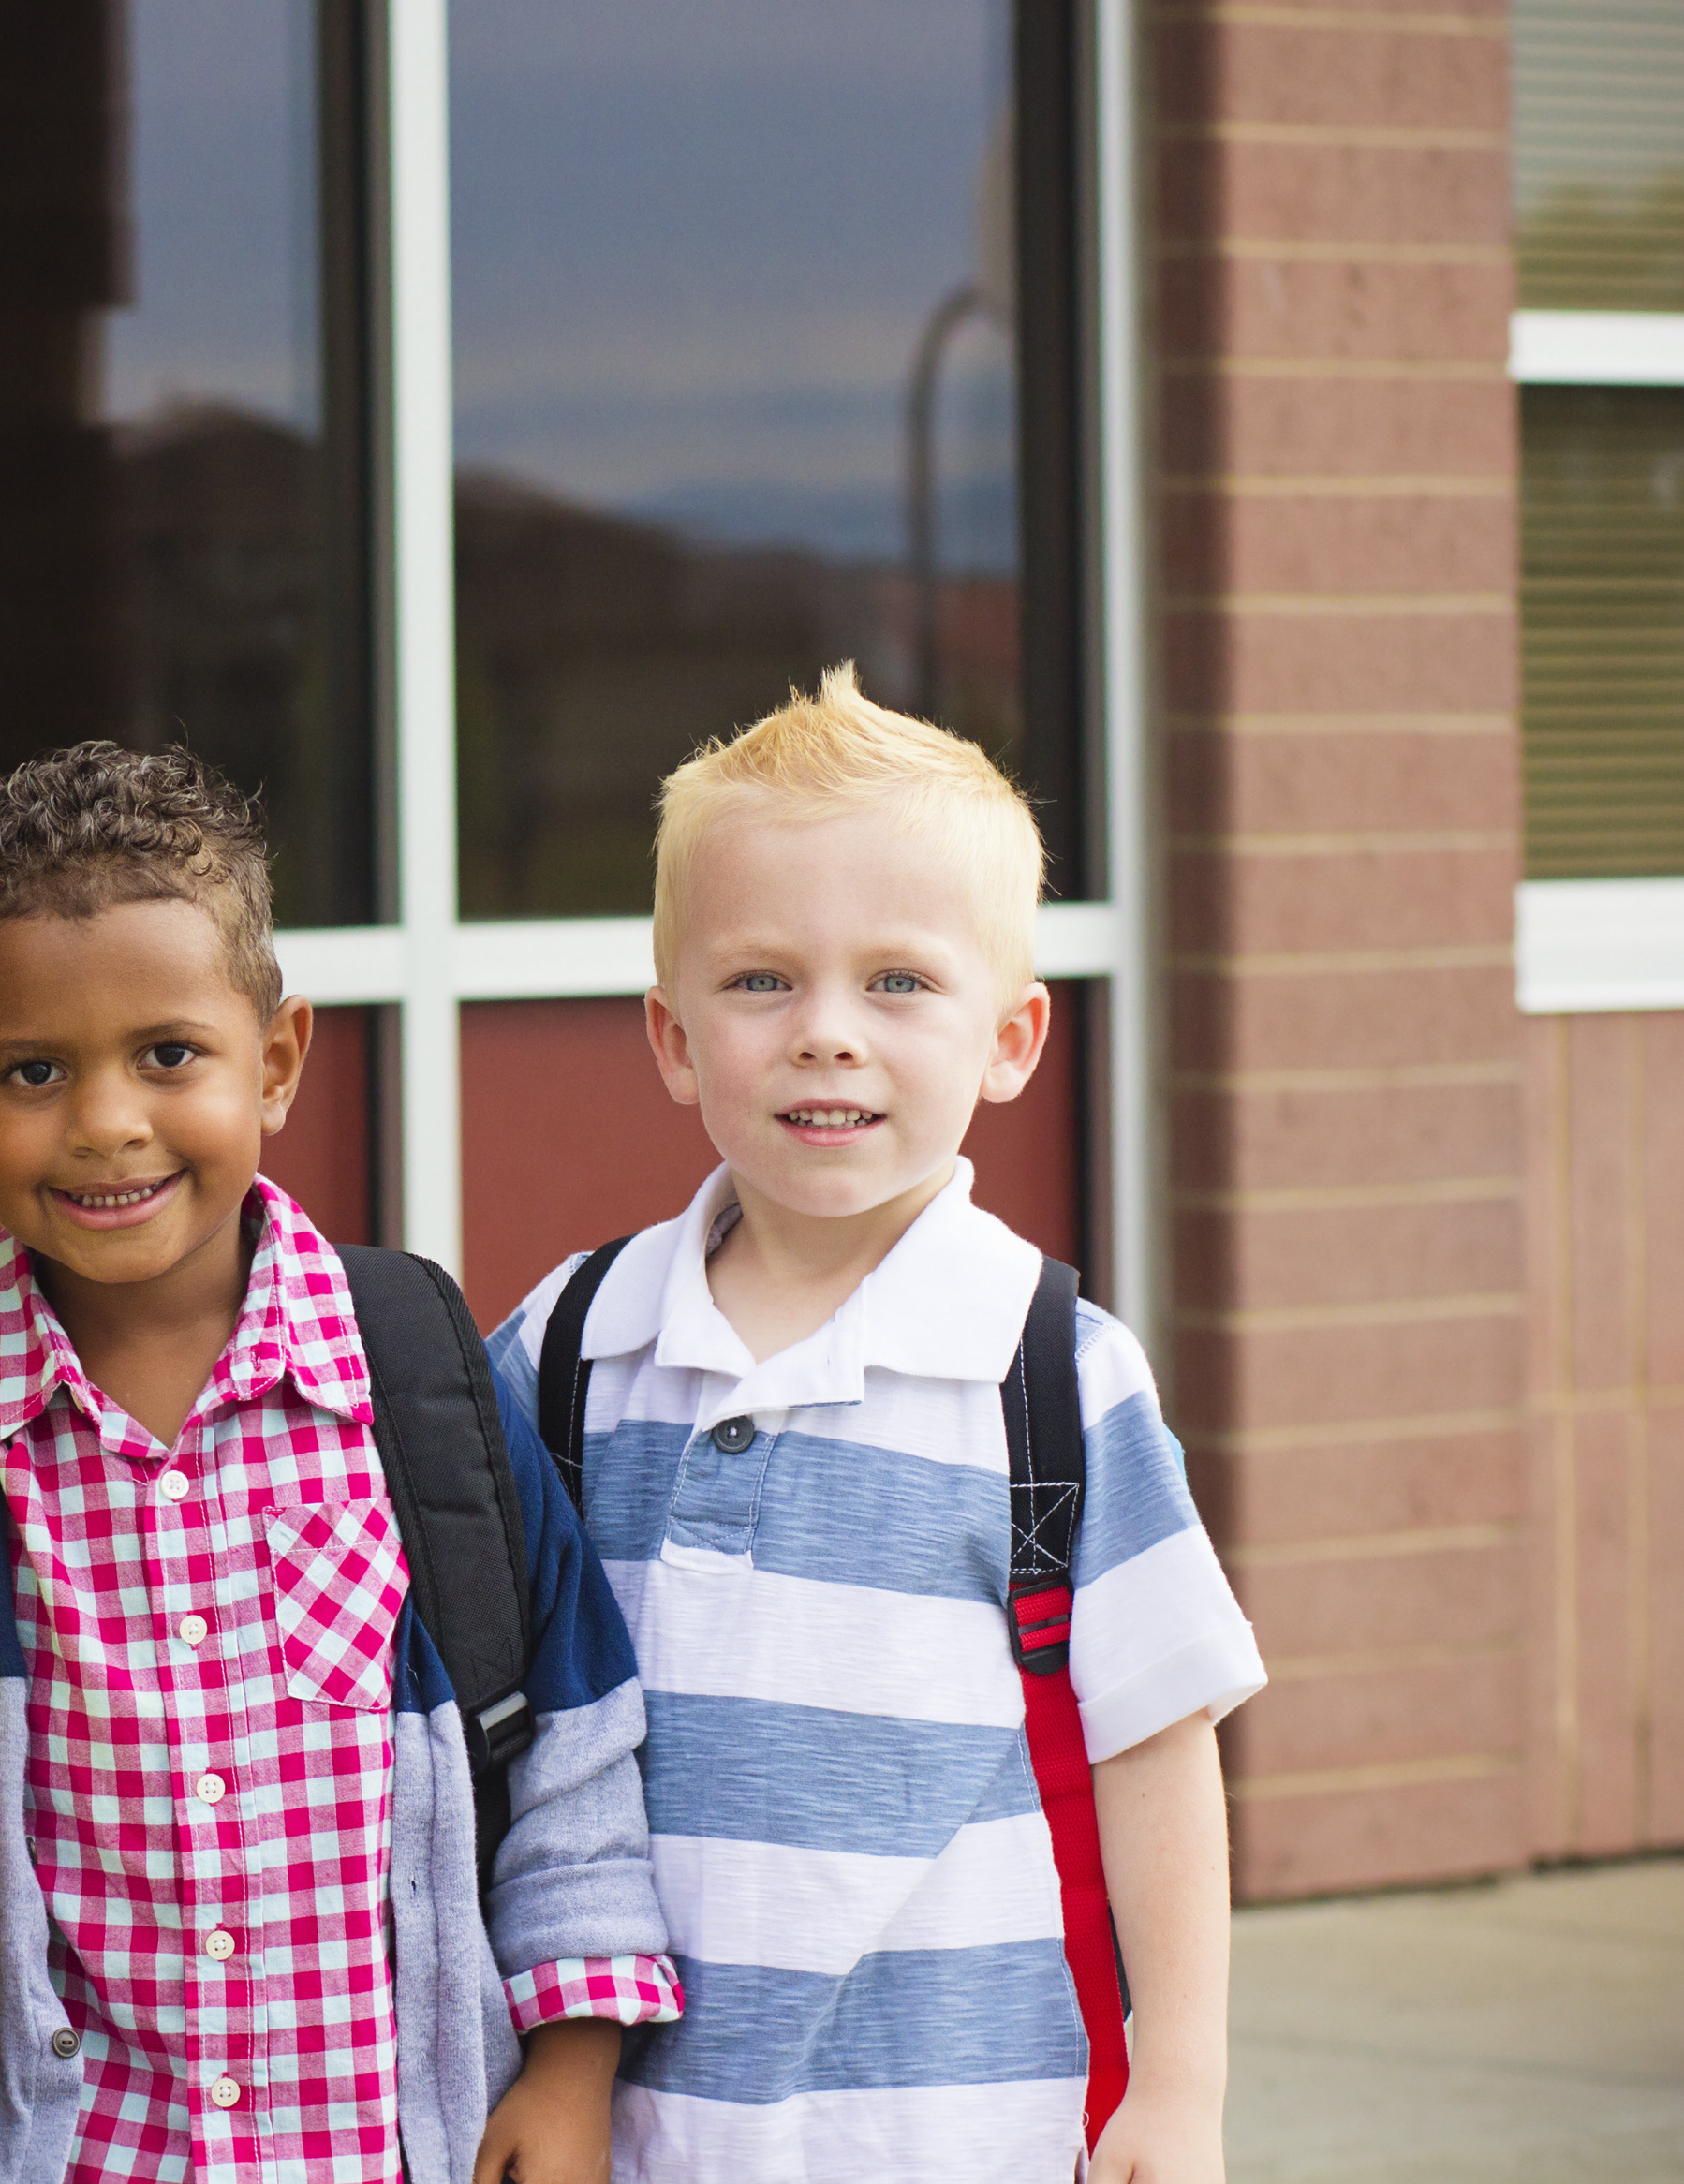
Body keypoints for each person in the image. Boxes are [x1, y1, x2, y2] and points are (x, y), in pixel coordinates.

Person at [485, 667, 1267, 2184]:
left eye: (899, 983)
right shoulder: (574, 1348)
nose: (826, 1034)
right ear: (669, 1035)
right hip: (644, 2130)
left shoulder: (1051, 1377)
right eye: (761, 980)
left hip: (964, 2125)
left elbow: (1157, 1753)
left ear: (1012, 1039)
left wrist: (1179, 2089)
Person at [0, 742, 682, 2184]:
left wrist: (571, 2068)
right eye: (31, 1071)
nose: (105, 1122)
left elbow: (573, 1751)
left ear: (276, 1059)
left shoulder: (413, 1378)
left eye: (169, 1055)